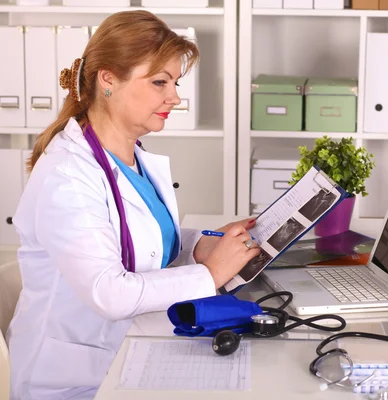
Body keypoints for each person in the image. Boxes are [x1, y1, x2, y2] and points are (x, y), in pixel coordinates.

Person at [6, 10, 261, 400]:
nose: (174, 97)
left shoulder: (129, 156)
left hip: (130, 349)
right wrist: (210, 274)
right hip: (74, 381)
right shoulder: (67, 176)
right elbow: (111, 294)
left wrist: (199, 244)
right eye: (160, 82)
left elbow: (139, 237)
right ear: (108, 79)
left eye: (174, 82)